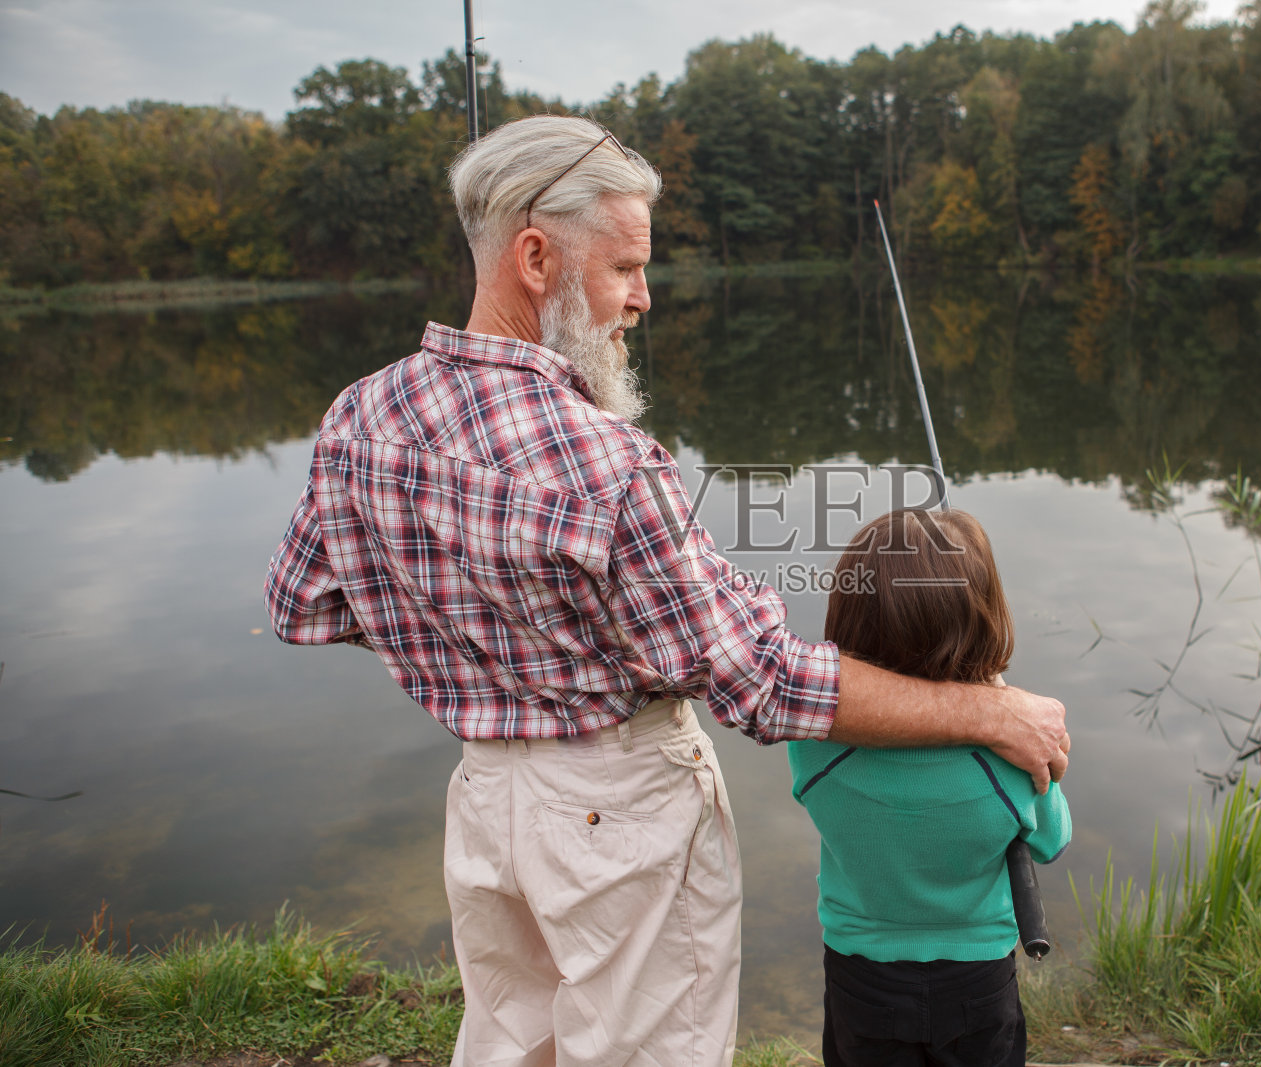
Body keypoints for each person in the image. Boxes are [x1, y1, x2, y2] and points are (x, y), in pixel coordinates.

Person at [263, 114, 1070, 1067]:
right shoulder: (606, 461)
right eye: (623, 268)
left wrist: (469, 623)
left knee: (510, 1045)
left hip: (486, 798)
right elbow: (766, 685)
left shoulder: (361, 414)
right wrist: (986, 708)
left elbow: (305, 603)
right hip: (621, 814)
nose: (642, 298)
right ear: (535, 257)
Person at [789, 508, 1072, 1067]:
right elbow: (1053, 840)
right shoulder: (1010, 761)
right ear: (984, 619)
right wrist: (996, 700)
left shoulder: (816, 746)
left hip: (861, 977)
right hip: (978, 984)